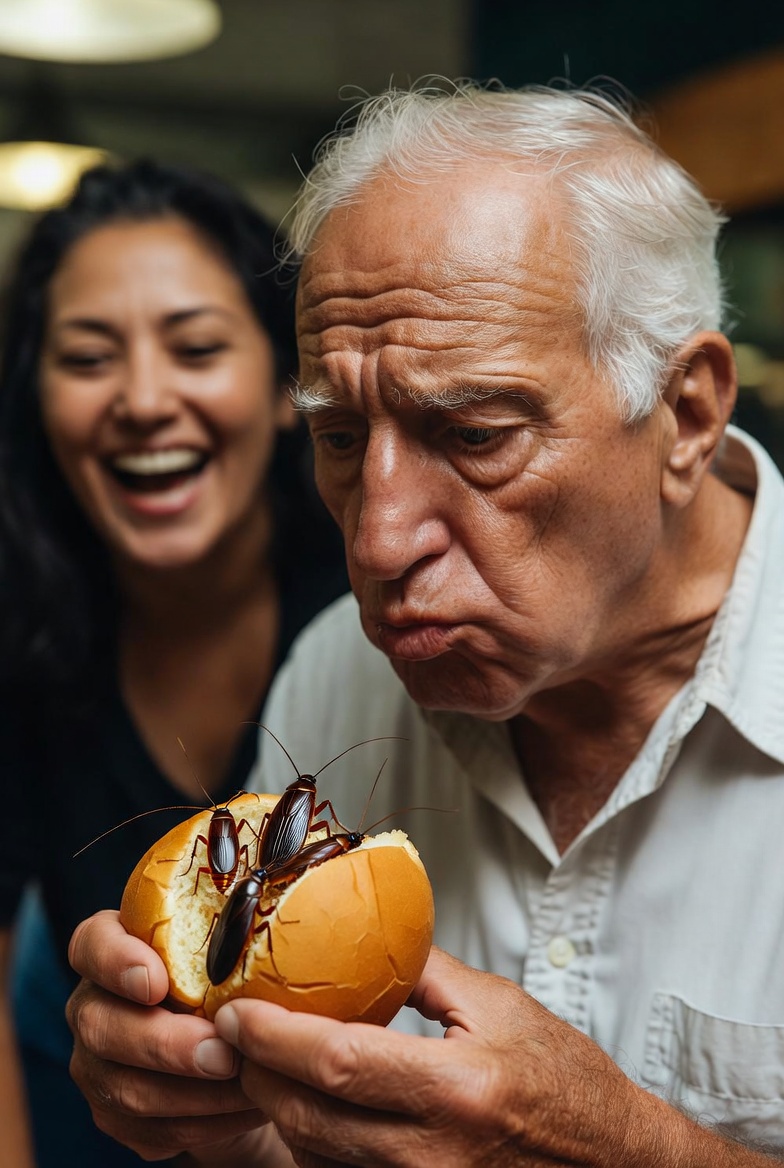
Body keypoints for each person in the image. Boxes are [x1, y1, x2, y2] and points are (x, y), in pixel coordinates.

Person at [65, 83, 784, 1167]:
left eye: (475, 433)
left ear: (685, 415)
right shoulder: (336, 669)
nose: (378, 541)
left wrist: (629, 1149)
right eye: (341, 439)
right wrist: (211, 1108)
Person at [0, 159, 348, 1166]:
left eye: (196, 348)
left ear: (286, 388)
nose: (144, 400)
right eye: (88, 358)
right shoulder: (20, 641)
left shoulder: (383, 612)